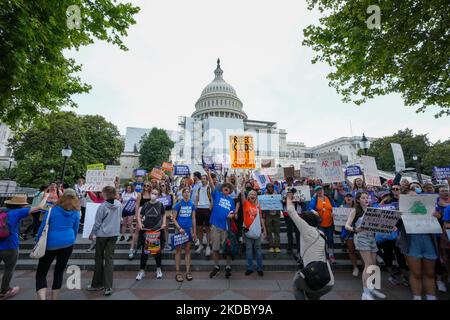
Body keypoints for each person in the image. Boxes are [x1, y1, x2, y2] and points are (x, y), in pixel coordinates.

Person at [0, 193, 49, 300]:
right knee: (9, 269)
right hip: (10, 246)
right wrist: (45, 197)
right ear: (21, 205)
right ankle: (5, 290)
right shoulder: (18, 212)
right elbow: (39, 207)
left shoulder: (2, 211)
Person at [286, 193, 334, 300]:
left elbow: (291, 211)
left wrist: (289, 198)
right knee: (313, 295)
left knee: (296, 284)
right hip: (328, 279)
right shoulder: (321, 233)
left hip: (314, 274)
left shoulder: (307, 230)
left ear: (305, 221)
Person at [35, 189, 80, 300]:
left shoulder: (52, 210)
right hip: (67, 243)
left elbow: (42, 228)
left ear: (62, 197)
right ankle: (54, 298)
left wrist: (37, 242)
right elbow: (75, 229)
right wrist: (71, 240)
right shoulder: (76, 212)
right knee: (59, 272)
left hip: (51, 243)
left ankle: (42, 298)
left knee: (41, 273)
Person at [345, 191, 386, 300]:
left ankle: (371, 288)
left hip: (372, 237)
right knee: (368, 265)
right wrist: (355, 229)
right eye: (363, 198)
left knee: (373, 265)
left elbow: (379, 224)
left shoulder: (373, 210)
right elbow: (347, 225)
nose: (366, 199)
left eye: (367, 197)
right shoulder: (355, 211)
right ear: (358, 200)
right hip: (361, 237)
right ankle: (365, 293)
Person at [87, 186, 122, 296]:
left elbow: (97, 223)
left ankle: (97, 283)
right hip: (114, 234)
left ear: (105, 194)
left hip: (102, 235)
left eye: (102, 193)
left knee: (98, 258)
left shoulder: (102, 206)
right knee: (109, 259)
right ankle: (108, 287)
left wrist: (92, 233)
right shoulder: (119, 204)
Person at [206, 168, 236, 279]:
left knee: (227, 248)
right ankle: (216, 266)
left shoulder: (232, 201)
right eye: (225, 187)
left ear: (230, 191)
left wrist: (232, 215)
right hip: (215, 225)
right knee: (215, 248)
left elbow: (233, 213)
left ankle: (228, 266)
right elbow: (212, 185)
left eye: (228, 188)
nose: (226, 189)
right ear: (222, 189)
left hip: (226, 227)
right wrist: (208, 174)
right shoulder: (217, 195)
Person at [135, 189, 166, 280]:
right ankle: (141, 271)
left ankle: (158, 269)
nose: (153, 195)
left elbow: (163, 214)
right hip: (146, 230)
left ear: (158, 195)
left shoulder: (160, 205)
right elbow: (140, 216)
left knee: (157, 251)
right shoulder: (146, 205)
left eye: (155, 194)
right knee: (145, 252)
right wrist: (140, 224)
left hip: (157, 230)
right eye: (152, 193)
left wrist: (164, 223)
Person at [240, 179, 266, 276]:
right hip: (247, 230)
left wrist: (265, 230)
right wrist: (243, 183)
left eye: (254, 195)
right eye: (251, 194)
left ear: (256, 197)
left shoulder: (259, 206)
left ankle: (260, 268)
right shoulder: (245, 204)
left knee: (258, 250)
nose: (252, 196)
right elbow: (242, 193)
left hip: (257, 231)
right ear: (248, 196)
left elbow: (261, 218)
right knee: (249, 250)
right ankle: (250, 267)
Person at [172, 188, 197, 282]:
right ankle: (178, 272)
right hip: (179, 230)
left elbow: (193, 218)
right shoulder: (178, 204)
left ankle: (187, 272)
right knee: (178, 251)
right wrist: (179, 228)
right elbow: (173, 219)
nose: (186, 194)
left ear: (190, 194)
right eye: (185, 192)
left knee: (187, 251)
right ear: (182, 194)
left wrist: (194, 232)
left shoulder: (192, 204)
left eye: (188, 192)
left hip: (188, 230)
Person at [309, 186, 337, 263]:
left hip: (330, 223)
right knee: (322, 240)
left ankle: (331, 255)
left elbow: (335, 207)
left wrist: (334, 212)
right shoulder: (315, 199)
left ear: (323, 190)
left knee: (330, 239)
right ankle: (324, 255)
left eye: (320, 190)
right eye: (317, 190)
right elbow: (310, 207)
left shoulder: (329, 198)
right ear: (316, 192)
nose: (319, 191)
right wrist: (314, 212)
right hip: (320, 223)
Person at [129, 182, 152, 260]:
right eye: (144, 185)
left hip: (149, 215)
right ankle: (131, 249)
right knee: (137, 232)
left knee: (149, 232)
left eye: (147, 185)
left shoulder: (152, 195)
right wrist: (136, 215)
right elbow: (137, 205)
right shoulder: (140, 194)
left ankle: (148, 249)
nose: (146, 186)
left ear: (150, 186)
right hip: (141, 214)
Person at [339, 193, 360, 277]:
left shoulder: (357, 208)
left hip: (357, 230)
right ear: (344, 198)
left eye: (350, 196)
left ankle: (366, 266)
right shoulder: (341, 207)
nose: (348, 197)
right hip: (347, 231)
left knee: (361, 250)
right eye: (347, 196)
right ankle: (355, 267)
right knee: (351, 250)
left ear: (353, 198)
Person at [194, 174, 213, 256]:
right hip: (199, 209)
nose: (203, 180)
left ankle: (208, 246)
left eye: (204, 179)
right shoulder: (199, 188)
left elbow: (212, 199)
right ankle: (201, 245)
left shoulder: (210, 188)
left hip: (207, 209)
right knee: (199, 228)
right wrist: (196, 207)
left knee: (208, 229)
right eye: (202, 179)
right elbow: (196, 199)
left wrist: (210, 208)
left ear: (207, 180)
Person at [282, 177, 300, 256]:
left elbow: (302, 199)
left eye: (291, 180)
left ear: (293, 181)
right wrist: (286, 199)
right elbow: (282, 200)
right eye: (288, 180)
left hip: (296, 212)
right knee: (289, 231)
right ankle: (290, 248)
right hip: (288, 212)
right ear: (286, 181)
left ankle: (299, 248)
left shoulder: (298, 189)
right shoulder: (284, 190)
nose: (289, 181)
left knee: (297, 231)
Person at [263, 183, 281, 253]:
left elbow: (281, 203)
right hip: (268, 215)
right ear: (267, 188)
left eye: (271, 187)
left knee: (277, 231)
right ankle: (271, 246)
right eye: (269, 187)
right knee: (269, 231)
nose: (270, 188)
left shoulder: (277, 195)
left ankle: (277, 246)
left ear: (273, 188)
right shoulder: (264, 196)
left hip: (276, 214)